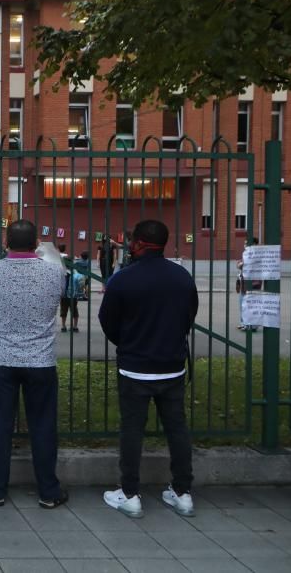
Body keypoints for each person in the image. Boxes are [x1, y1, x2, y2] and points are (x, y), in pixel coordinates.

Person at [98, 220, 198, 519]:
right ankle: (182, 493)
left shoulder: (123, 280)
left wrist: (129, 341)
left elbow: (108, 321)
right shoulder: (182, 277)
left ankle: (129, 494)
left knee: (132, 431)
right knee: (177, 429)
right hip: (171, 368)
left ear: (139, 243)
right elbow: (188, 315)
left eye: (132, 241)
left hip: (135, 369)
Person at [0, 219, 69, 509]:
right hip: (40, 360)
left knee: (1, 426)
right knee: (43, 425)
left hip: (2, 358)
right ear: (37, 242)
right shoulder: (54, 273)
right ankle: (48, 491)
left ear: (5, 243)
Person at [236, 237, 263, 332]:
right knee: (242, 303)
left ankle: (253, 326)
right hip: (244, 283)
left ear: (254, 244)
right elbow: (239, 263)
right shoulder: (246, 254)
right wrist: (240, 263)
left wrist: (242, 264)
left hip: (253, 284)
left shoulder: (257, 255)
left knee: (252, 304)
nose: (245, 246)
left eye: (247, 244)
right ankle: (244, 323)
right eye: (244, 244)